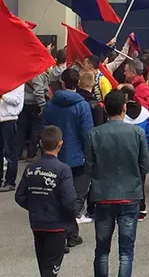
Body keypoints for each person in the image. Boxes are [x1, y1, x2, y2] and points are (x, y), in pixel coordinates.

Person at [85, 90, 149, 277]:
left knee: (102, 249)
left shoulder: (94, 134)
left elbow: (88, 168)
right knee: (126, 252)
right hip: (129, 194)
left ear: (105, 109)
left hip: (103, 194)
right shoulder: (137, 133)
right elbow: (145, 166)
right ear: (124, 108)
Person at [42, 68, 94, 249]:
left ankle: (71, 234)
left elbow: (44, 129)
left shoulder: (50, 104)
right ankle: (65, 233)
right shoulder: (82, 105)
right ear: (77, 83)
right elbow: (87, 133)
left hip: (55, 155)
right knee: (77, 196)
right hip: (78, 157)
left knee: (58, 195)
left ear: (62, 83)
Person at [15, 126, 78, 277]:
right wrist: (69, 218)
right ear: (60, 144)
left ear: (41, 144)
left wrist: (35, 206)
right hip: (56, 225)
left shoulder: (31, 168)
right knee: (52, 268)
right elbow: (69, 201)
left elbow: (20, 196)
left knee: (44, 265)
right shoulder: (63, 169)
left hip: (37, 223)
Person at [119, 84, 149, 221]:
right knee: (140, 181)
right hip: (141, 150)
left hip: (125, 152)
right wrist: (147, 150)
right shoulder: (145, 112)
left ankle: (127, 208)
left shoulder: (120, 115)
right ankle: (141, 208)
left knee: (125, 180)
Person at [0, 83, 24, 191]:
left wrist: (3, 95)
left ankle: (10, 181)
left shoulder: (18, 82)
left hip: (9, 119)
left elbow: (17, 100)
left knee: (10, 152)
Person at [18, 72, 47, 161]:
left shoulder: (24, 70)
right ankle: (31, 154)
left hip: (24, 101)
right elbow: (38, 91)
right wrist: (43, 106)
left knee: (21, 129)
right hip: (34, 103)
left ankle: (18, 152)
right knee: (35, 129)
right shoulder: (37, 73)